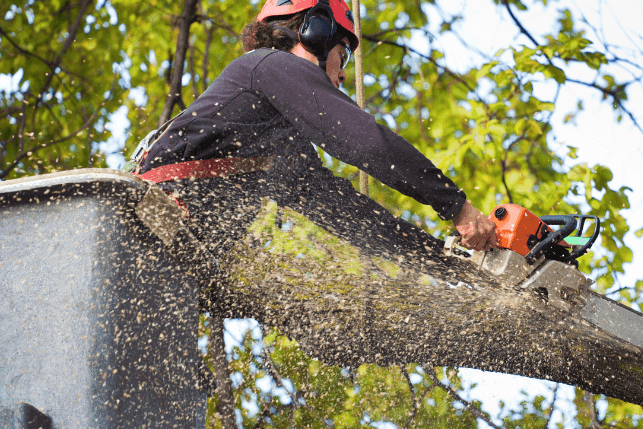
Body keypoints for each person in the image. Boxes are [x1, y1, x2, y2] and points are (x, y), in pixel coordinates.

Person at [134, 0, 498, 263]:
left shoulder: (279, 141)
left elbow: (346, 213)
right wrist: (456, 206)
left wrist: (443, 259)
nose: (342, 74)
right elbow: (367, 143)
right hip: (148, 223)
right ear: (315, 33)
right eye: (343, 54)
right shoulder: (269, 64)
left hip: (168, 253)